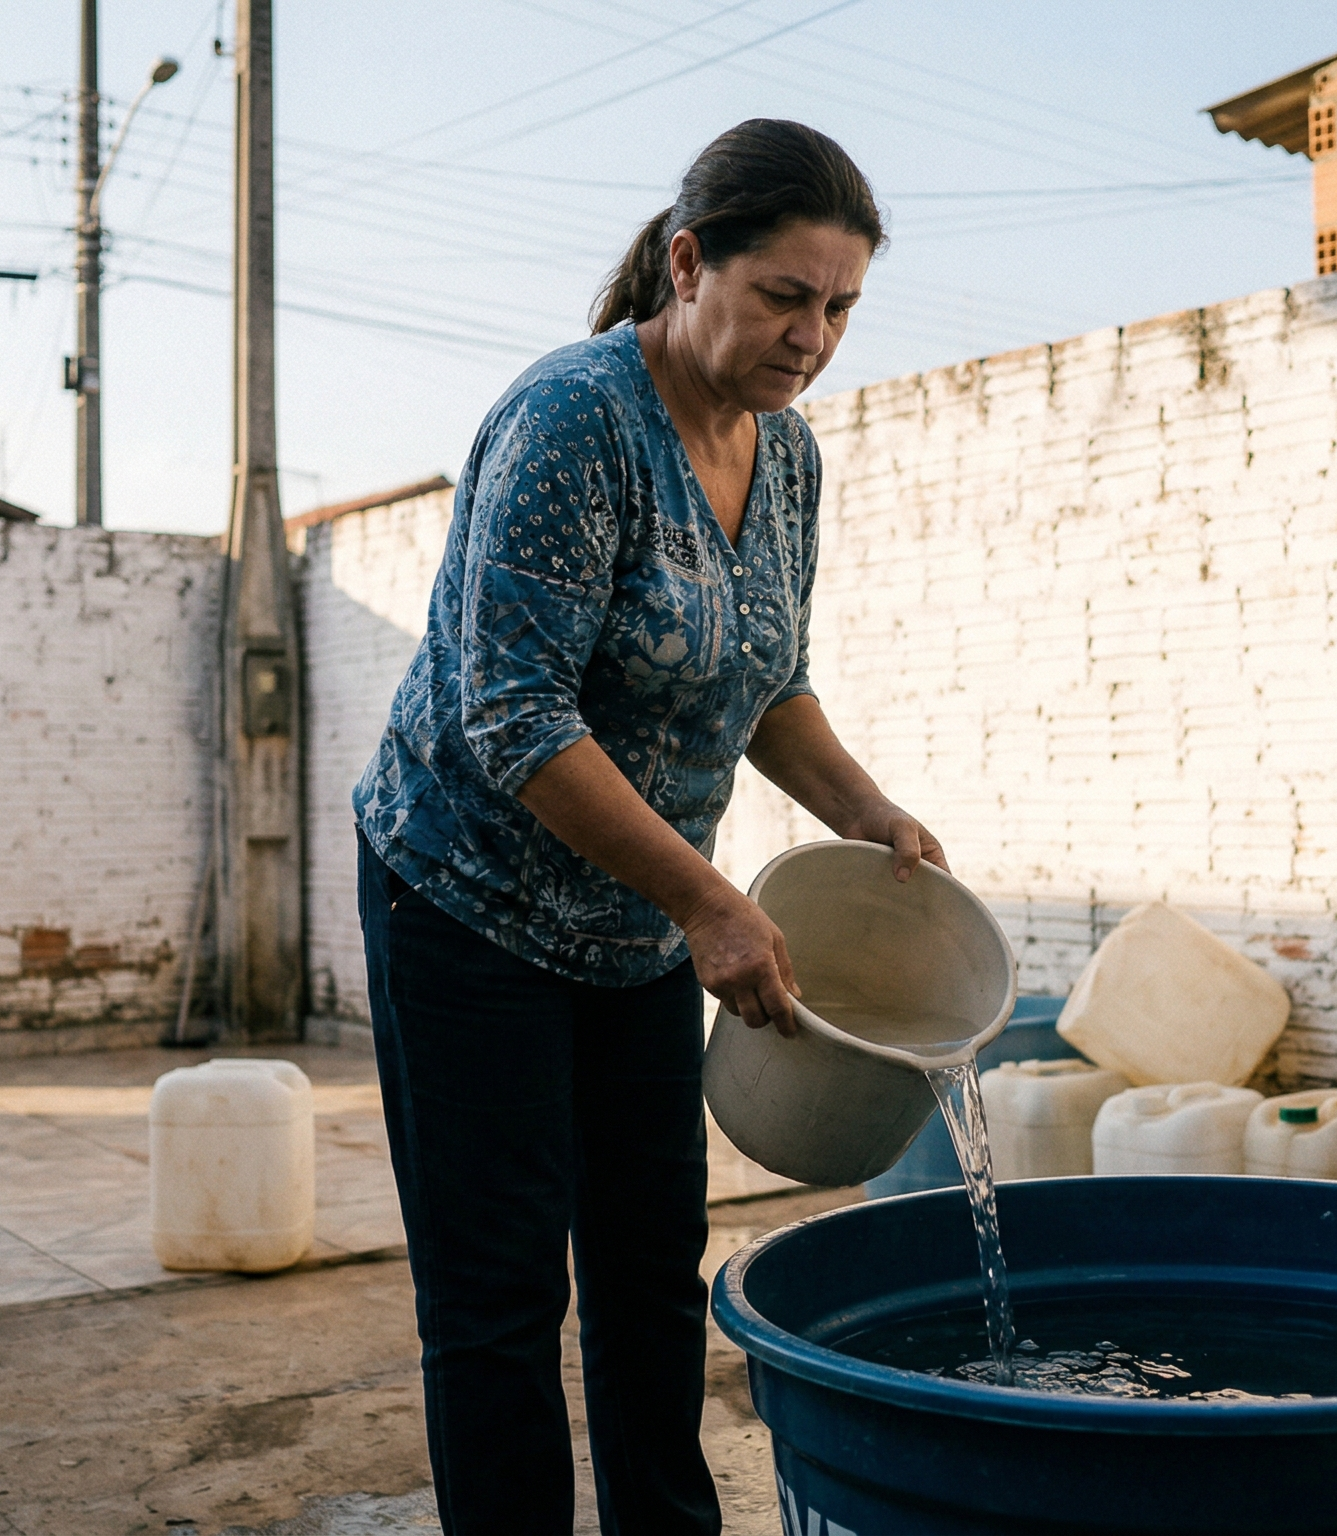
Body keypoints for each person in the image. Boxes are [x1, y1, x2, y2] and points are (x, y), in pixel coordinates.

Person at [351, 118, 945, 1534]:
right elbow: (517, 721)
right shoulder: (574, 419)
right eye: (786, 296)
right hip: (466, 902)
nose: (813, 336)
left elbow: (765, 680)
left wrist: (873, 817)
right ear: (690, 263)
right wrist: (710, 903)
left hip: (632, 929)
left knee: (646, 1273)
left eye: (841, 307)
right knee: (498, 1298)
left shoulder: (786, 460)